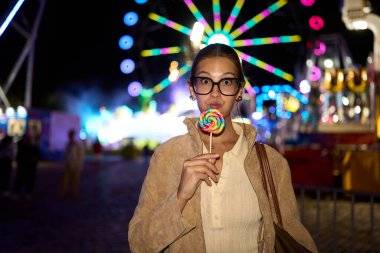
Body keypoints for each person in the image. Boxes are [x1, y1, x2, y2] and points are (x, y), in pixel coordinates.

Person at [128, 44, 317, 252]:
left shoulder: (272, 162)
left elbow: (295, 238)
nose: (215, 94)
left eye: (226, 82)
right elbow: (139, 244)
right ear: (192, 89)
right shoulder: (167, 156)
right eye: (205, 81)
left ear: (239, 90)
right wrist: (181, 196)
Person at [59, 129, 85, 200]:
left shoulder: (77, 145)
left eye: (71, 135)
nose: (70, 137)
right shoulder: (68, 145)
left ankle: (74, 194)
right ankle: (62, 194)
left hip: (75, 166)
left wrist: (79, 165)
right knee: (64, 181)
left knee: (74, 182)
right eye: (70, 135)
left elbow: (81, 156)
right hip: (68, 165)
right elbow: (65, 155)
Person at [12, 134, 40, 200]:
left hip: (29, 167)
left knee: (28, 181)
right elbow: (18, 157)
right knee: (21, 180)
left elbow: (37, 157)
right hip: (24, 166)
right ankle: (19, 193)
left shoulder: (32, 147)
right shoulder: (23, 147)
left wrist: (34, 162)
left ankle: (27, 193)